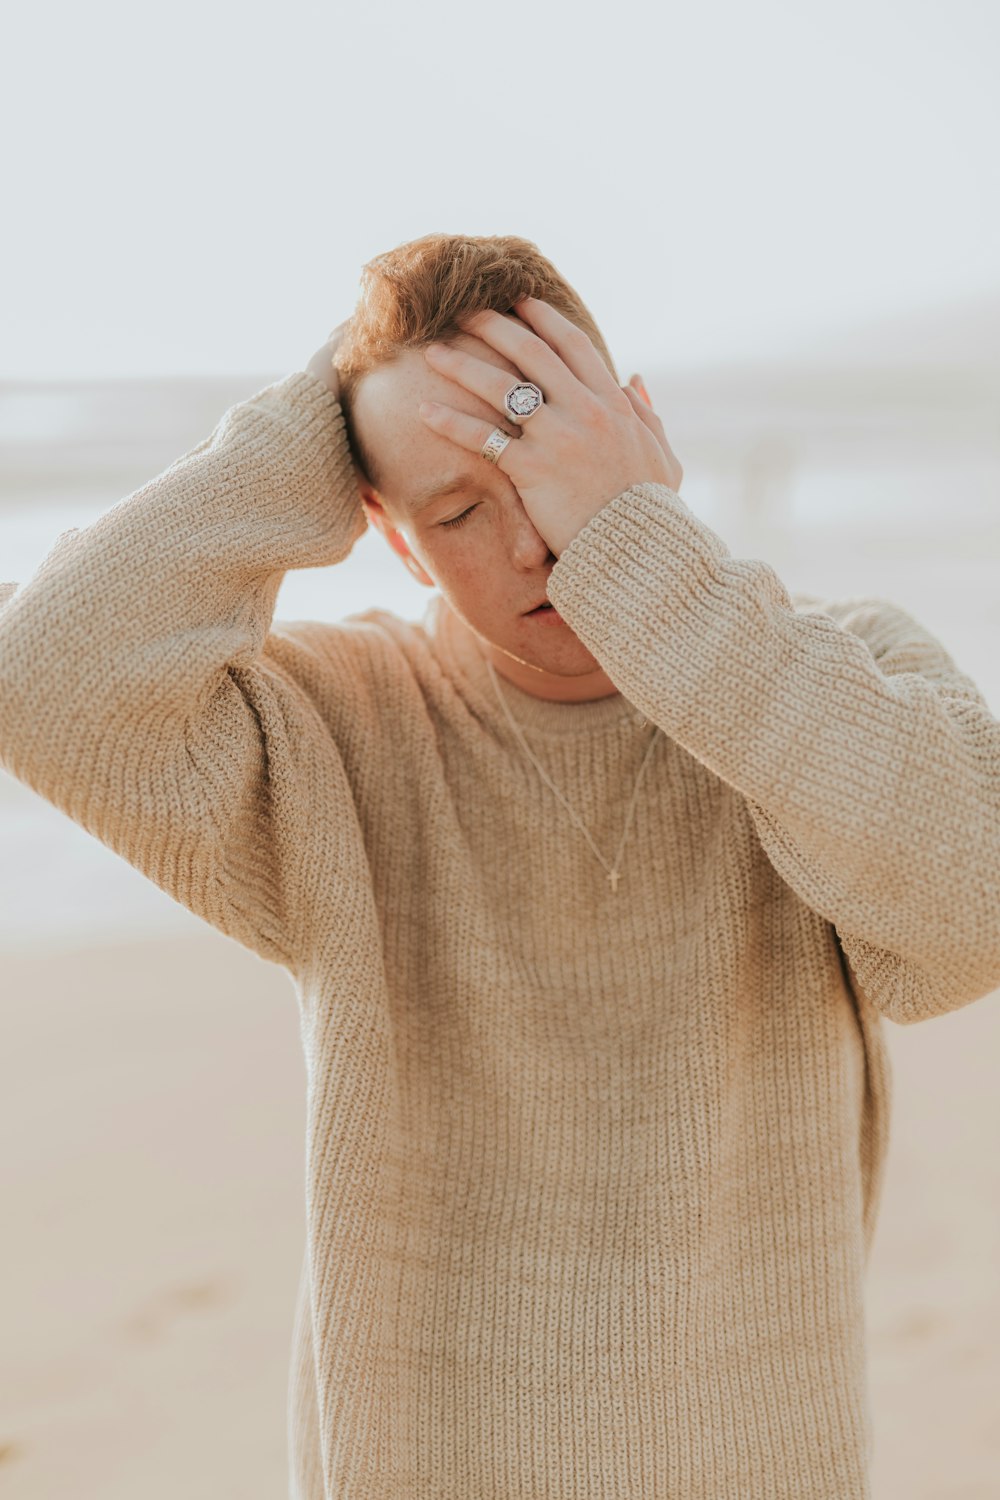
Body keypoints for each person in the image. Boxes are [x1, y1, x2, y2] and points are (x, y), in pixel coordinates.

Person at [1, 232, 998, 1500]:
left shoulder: (829, 675)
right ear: (395, 540)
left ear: (644, 431)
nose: (531, 541)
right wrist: (331, 414)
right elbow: (45, 681)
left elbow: (974, 905)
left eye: (552, 467)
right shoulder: (339, 731)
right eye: (461, 508)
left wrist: (641, 549)